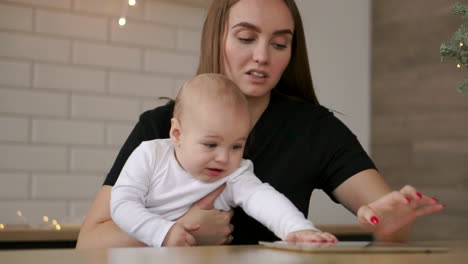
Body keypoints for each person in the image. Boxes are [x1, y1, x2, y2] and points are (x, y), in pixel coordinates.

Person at [76, 0, 444, 248]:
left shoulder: (314, 129)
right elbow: (90, 240)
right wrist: (183, 228)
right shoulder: (157, 128)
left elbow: (388, 222)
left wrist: (393, 221)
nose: (261, 56)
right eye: (246, 38)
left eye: (280, 44)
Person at [110, 74, 337, 247]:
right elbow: (122, 204)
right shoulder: (151, 155)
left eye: (237, 146)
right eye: (210, 145)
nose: (224, 158)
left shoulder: (234, 173)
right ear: (177, 134)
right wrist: (164, 232)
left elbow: (264, 200)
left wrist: (297, 229)